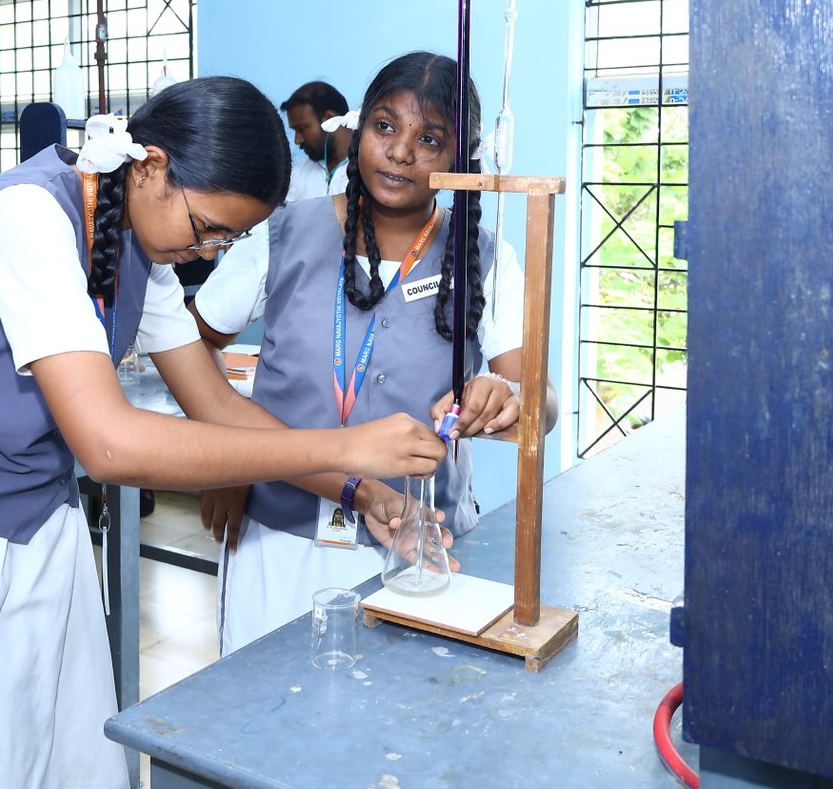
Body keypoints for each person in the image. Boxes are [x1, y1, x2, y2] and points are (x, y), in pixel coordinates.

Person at [0, 76, 445, 788]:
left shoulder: (136, 240)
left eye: (228, 239)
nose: (206, 253)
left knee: (46, 755)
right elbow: (109, 444)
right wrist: (343, 444)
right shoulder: (26, 217)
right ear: (153, 167)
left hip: (36, 526)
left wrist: (362, 488)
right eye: (206, 230)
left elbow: (217, 405)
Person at [191, 51, 559, 655]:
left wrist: (513, 399)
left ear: (460, 160)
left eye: (430, 138)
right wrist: (228, 461)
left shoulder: (486, 259)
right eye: (385, 127)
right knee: (258, 716)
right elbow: (195, 344)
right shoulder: (284, 234)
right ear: (359, 130)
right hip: (277, 537)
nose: (401, 152)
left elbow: (539, 405)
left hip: (416, 549)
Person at [281, 80, 352, 202]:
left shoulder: (369, 168)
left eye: (302, 129)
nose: (297, 140)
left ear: (330, 119)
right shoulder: (297, 175)